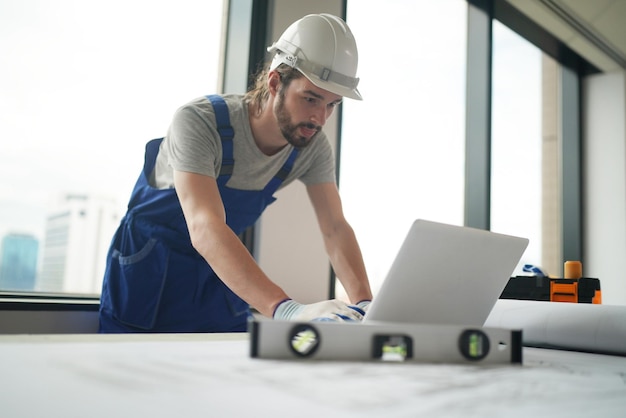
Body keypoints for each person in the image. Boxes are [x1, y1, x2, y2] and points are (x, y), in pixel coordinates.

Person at [98, 13, 373, 333]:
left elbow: (335, 229)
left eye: (331, 105)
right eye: (310, 98)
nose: (319, 118)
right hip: (148, 277)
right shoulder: (200, 122)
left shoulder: (312, 147)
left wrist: (367, 308)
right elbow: (204, 225)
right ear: (274, 83)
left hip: (219, 278)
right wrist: (286, 310)